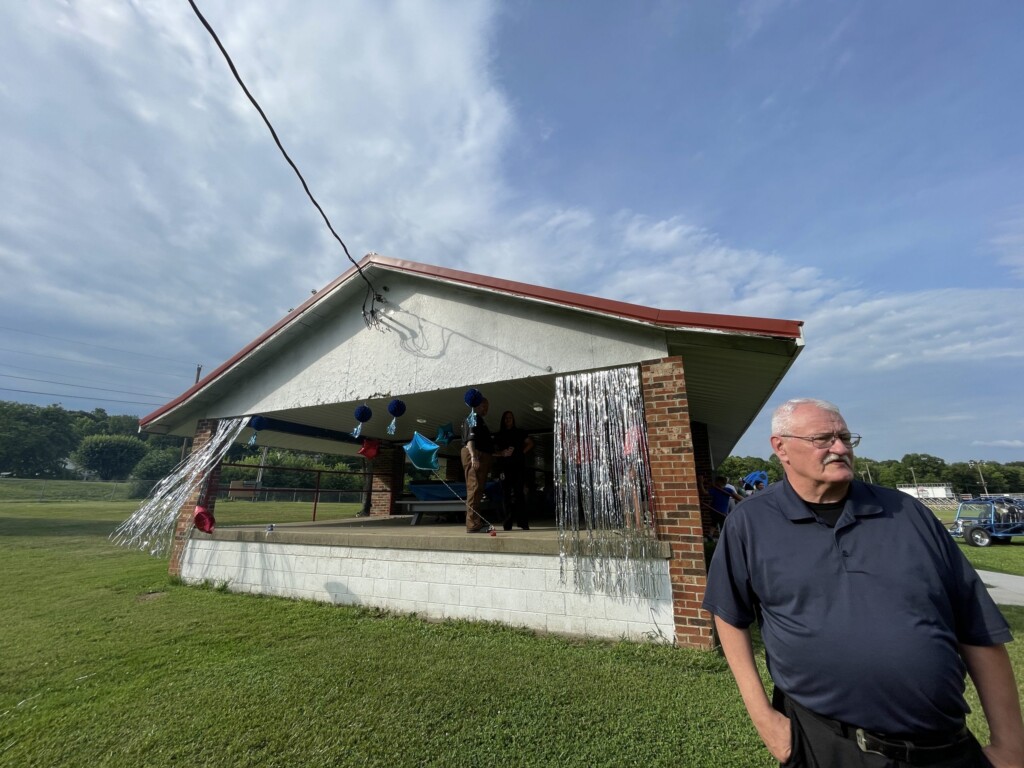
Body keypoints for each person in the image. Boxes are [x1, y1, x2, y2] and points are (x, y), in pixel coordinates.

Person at [702, 398, 1024, 767]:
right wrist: (764, 718)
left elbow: (977, 625)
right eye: (823, 439)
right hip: (825, 744)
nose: (839, 448)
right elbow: (728, 614)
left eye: (845, 438)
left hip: (941, 746)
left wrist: (1011, 744)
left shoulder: (907, 514)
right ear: (781, 448)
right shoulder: (751, 522)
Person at [493, 410, 534, 531]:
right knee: (506, 495)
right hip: (505, 468)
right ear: (503, 420)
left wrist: (521, 452)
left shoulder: (520, 432)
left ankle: (523, 523)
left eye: (510, 417)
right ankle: (507, 524)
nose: (508, 420)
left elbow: (530, 443)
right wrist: (501, 453)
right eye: (506, 418)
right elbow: (492, 452)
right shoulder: (498, 435)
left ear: (513, 419)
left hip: (518, 467)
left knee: (519, 494)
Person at [460, 397, 494, 533]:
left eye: (487, 407)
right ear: (478, 405)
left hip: (480, 454)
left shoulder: (479, 419)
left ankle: (476, 521)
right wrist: (474, 456)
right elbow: (470, 440)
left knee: (478, 489)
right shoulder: (472, 417)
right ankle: (472, 524)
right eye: (484, 406)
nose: (486, 409)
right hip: (474, 455)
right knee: (474, 488)